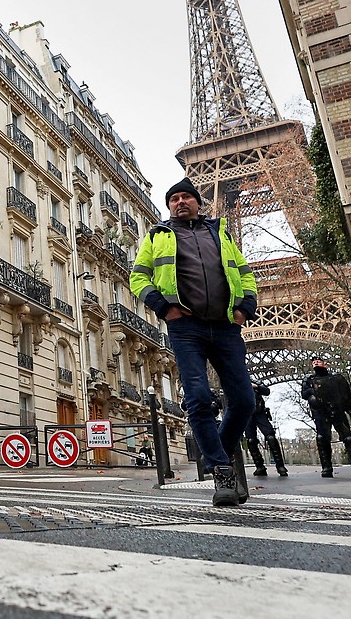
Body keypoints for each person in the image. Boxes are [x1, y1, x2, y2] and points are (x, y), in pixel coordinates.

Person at [131, 178, 258, 507]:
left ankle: (219, 453)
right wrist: (163, 307)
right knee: (199, 399)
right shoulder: (157, 236)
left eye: (186, 196)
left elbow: (243, 273)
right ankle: (221, 471)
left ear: (198, 202)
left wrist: (246, 308)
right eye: (174, 198)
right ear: (169, 205)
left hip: (227, 325)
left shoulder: (220, 232)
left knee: (244, 400)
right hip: (185, 327)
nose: (180, 201)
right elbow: (137, 276)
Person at [301, 357, 351, 479]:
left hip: (337, 410)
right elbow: (304, 395)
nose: (315, 363)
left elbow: (347, 395)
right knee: (322, 439)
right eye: (313, 362)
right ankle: (326, 468)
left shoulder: (337, 378)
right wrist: (312, 391)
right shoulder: (309, 379)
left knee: (348, 438)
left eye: (318, 361)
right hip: (320, 412)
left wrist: (346, 409)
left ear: (326, 365)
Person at [245, 381, 288, 477]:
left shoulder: (253, 381)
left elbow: (266, 391)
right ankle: (259, 466)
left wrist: (256, 386)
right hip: (246, 414)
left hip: (260, 413)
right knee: (251, 440)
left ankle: (280, 466)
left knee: (271, 437)